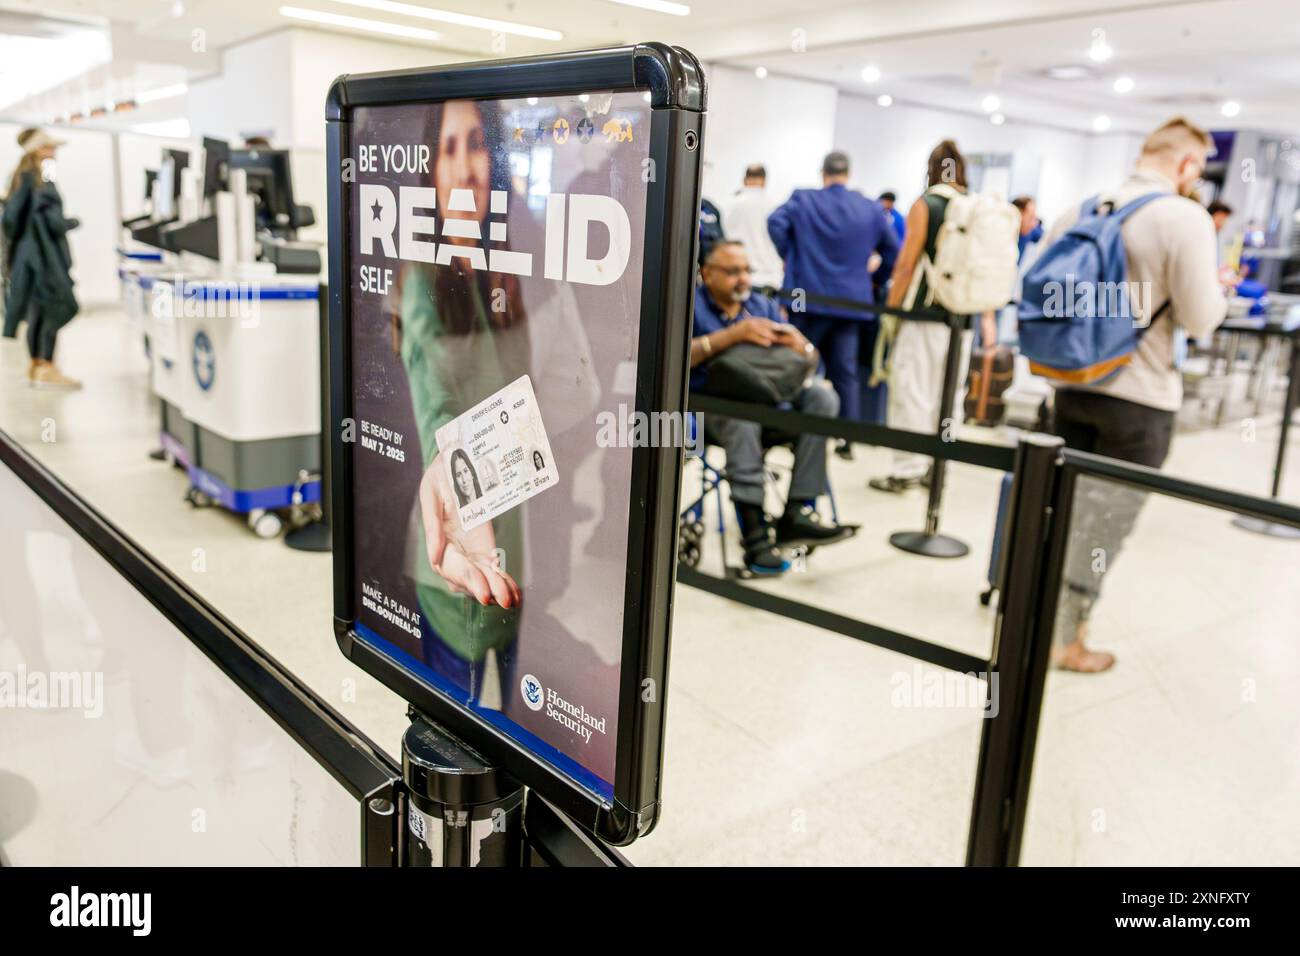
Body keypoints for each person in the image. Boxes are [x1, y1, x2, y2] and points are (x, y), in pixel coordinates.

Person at [1043, 116, 1226, 673]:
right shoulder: (1184, 217)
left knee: (1056, 507)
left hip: (1071, 385)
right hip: (1140, 399)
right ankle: (1067, 640)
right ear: (1187, 166)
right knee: (1104, 525)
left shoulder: (1082, 208)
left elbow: (1048, 296)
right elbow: (1200, 320)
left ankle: (1031, 612)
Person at [690, 240, 852, 575]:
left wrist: (803, 346)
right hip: (711, 408)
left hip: (770, 401)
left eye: (747, 270)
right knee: (743, 421)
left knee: (822, 397)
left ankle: (797, 512)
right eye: (733, 271)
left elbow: (808, 360)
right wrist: (734, 335)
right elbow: (674, 358)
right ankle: (755, 538)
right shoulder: (689, 307)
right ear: (707, 273)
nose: (743, 279)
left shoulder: (761, 305)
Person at [870, 140, 994, 492]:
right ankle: (938, 467)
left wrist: (891, 310)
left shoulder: (927, 204)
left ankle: (907, 468)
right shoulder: (975, 206)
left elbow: (907, 263)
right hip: (962, 317)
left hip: (925, 314)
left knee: (913, 390)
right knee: (950, 394)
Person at [767, 151, 899, 459]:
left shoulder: (804, 199)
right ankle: (847, 439)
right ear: (848, 174)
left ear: (823, 173)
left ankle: (792, 427)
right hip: (850, 302)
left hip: (807, 298)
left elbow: (775, 223)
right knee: (845, 372)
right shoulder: (869, 208)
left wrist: (793, 257)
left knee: (798, 363)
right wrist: (873, 277)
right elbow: (893, 251)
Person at [2, 128, 81, 389]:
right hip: (41, 257)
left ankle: (39, 365)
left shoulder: (21, 177)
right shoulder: (37, 179)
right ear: (39, 149)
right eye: (50, 147)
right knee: (56, 307)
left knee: (38, 311)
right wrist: (72, 222)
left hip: (29, 255)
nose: (54, 152)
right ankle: (45, 364)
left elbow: (13, 219)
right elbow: (53, 223)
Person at [723, 164, 783, 289]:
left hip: (738, 279)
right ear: (764, 181)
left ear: (745, 180)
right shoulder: (776, 207)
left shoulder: (730, 205)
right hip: (770, 280)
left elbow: (722, 240)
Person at [1011, 195, 1044, 262]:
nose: (1034, 224)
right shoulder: (1003, 235)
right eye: (1031, 217)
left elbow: (1049, 237)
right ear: (1018, 215)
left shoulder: (1030, 232)